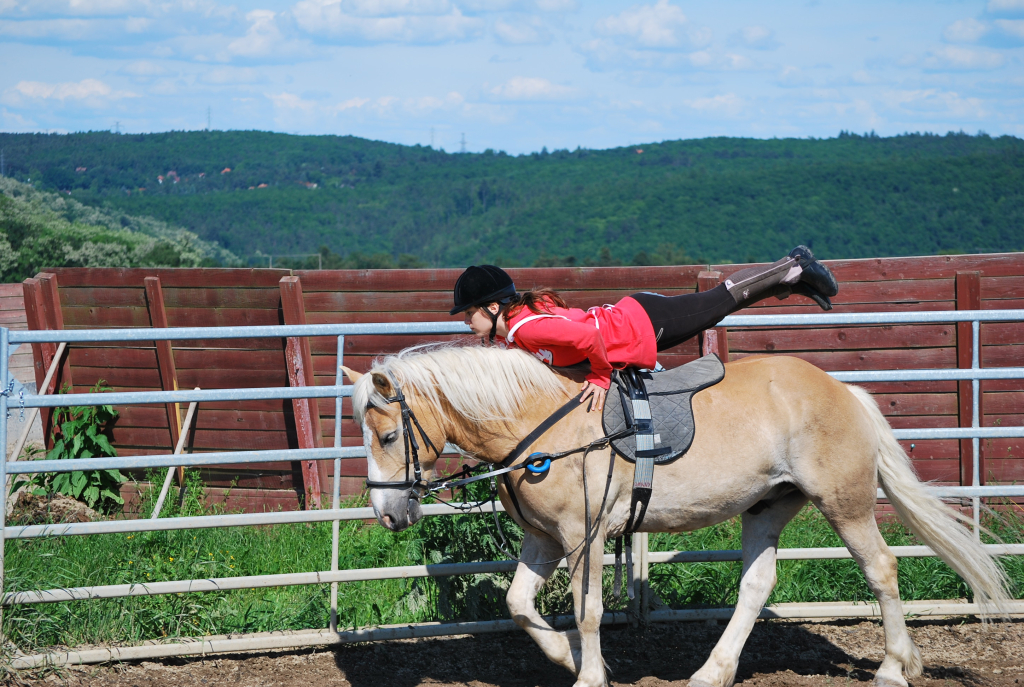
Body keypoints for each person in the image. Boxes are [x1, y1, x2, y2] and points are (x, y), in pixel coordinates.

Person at [450, 247, 838, 412]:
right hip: (635, 317)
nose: (467, 321)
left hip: (644, 323)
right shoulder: (521, 323)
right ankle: (787, 282)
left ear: (493, 306)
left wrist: (601, 378)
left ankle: (795, 263)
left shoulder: (526, 331)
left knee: (721, 300)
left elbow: (587, 339)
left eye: (469, 313)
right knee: (719, 307)